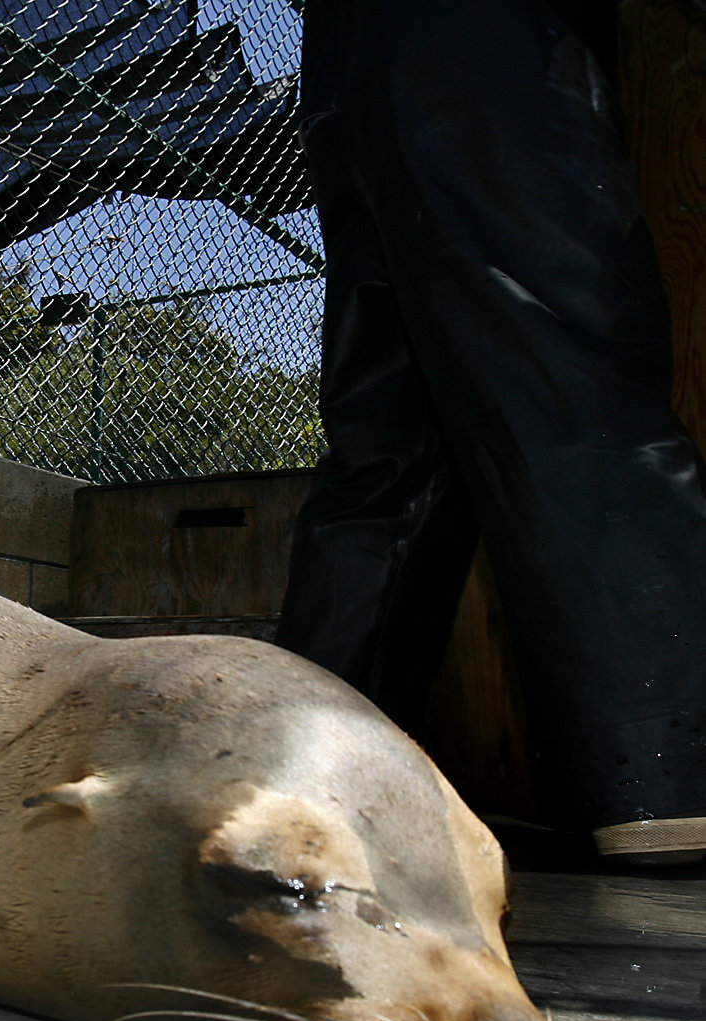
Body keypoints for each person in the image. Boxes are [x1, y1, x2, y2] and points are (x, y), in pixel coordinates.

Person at [274, 0, 706, 865]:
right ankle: (672, 772)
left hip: (349, 57)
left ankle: (301, 770)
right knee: (564, 375)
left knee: (392, 453)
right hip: (493, 34)